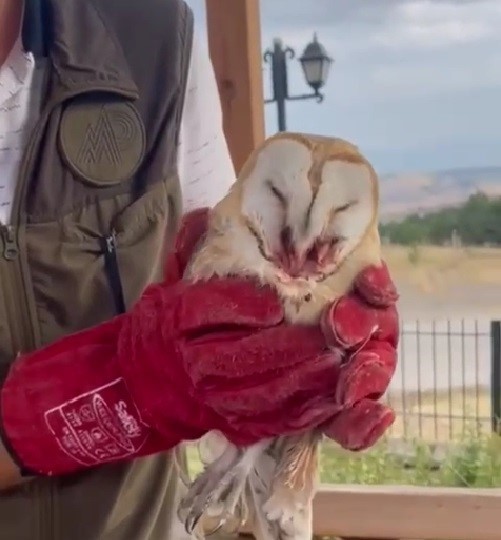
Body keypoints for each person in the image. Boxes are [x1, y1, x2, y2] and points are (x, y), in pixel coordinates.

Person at [0, 0, 399, 539]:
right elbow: (167, 369)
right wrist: (124, 390)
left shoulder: (150, 37)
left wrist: (302, 364)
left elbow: (222, 291)